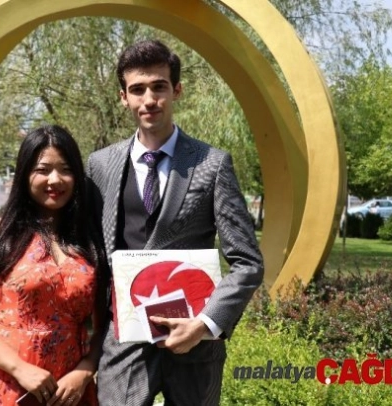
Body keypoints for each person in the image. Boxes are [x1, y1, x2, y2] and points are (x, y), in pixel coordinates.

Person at [87, 39, 264, 405]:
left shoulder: (212, 164)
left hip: (195, 346)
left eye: (159, 87)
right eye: (138, 89)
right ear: (123, 97)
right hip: (124, 342)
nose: (149, 99)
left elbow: (247, 262)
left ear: (177, 90)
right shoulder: (100, 165)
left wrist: (204, 325)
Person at [0, 124, 108, 406]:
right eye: (43, 170)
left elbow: (105, 324)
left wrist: (85, 371)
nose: (55, 179)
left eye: (66, 170)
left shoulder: (89, 242)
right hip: (3, 385)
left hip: (68, 392)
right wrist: (19, 368)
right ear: (25, 174)